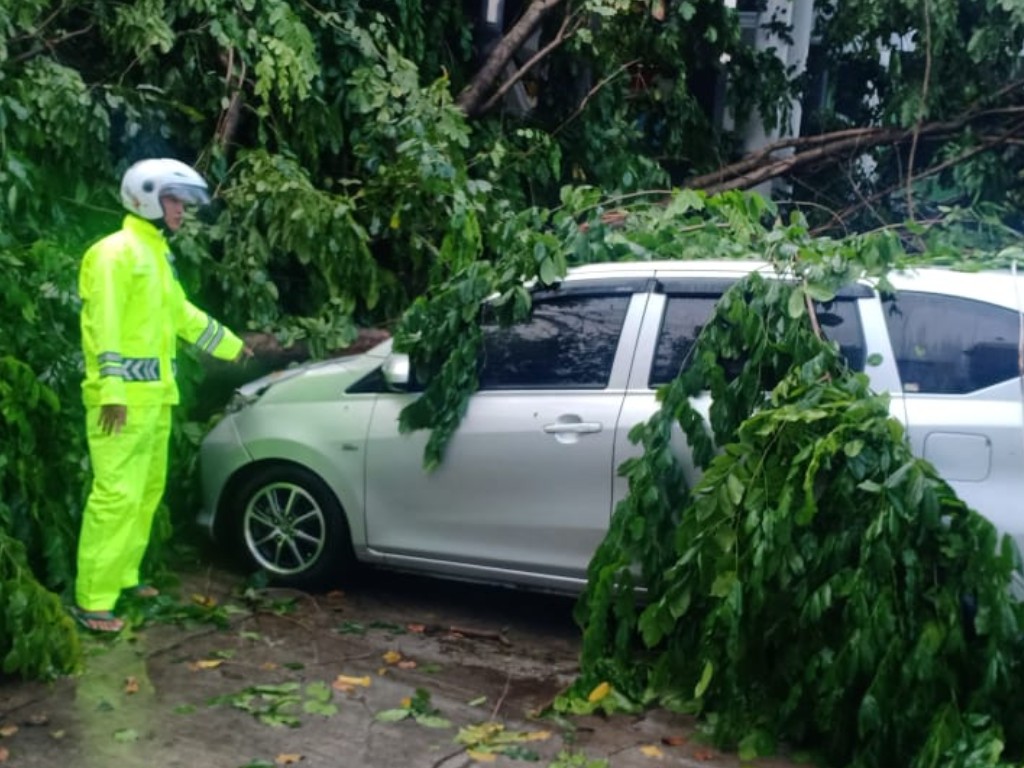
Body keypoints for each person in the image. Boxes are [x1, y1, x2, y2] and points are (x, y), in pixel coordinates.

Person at [73, 158, 251, 633]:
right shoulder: (113, 254)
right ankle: (93, 601)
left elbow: (181, 315)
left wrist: (232, 346)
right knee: (115, 497)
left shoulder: (154, 255)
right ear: (147, 196)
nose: (181, 211)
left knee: (146, 494)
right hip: (120, 404)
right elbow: (101, 327)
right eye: (175, 200)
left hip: (154, 399)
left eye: (183, 202)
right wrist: (110, 390)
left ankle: (124, 578)